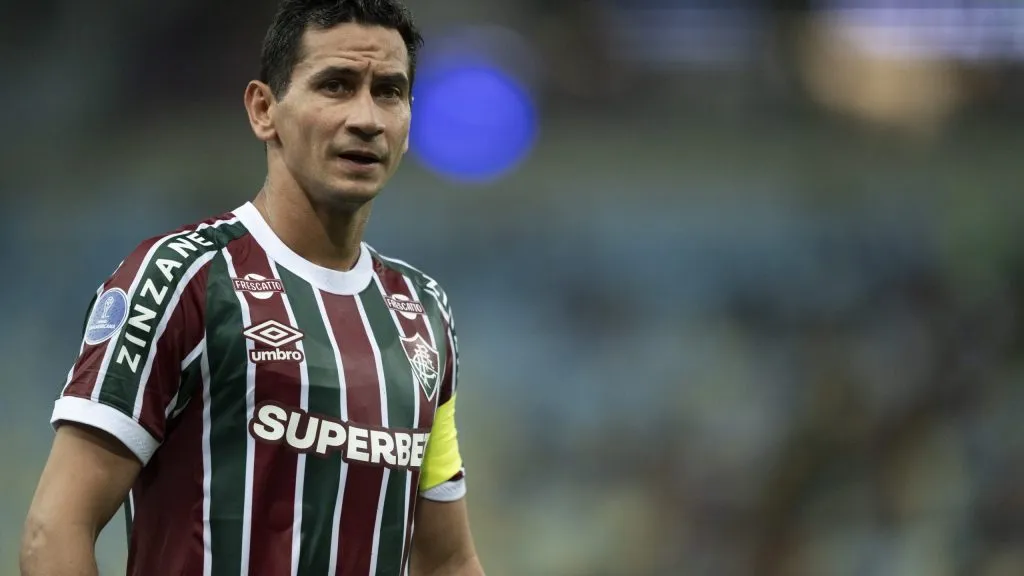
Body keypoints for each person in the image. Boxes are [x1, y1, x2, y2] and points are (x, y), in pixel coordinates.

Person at [20, 1, 485, 574]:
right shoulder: (182, 277)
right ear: (264, 109)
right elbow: (56, 529)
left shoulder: (422, 311)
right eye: (336, 85)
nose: (366, 117)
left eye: (388, 91)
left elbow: (446, 561)